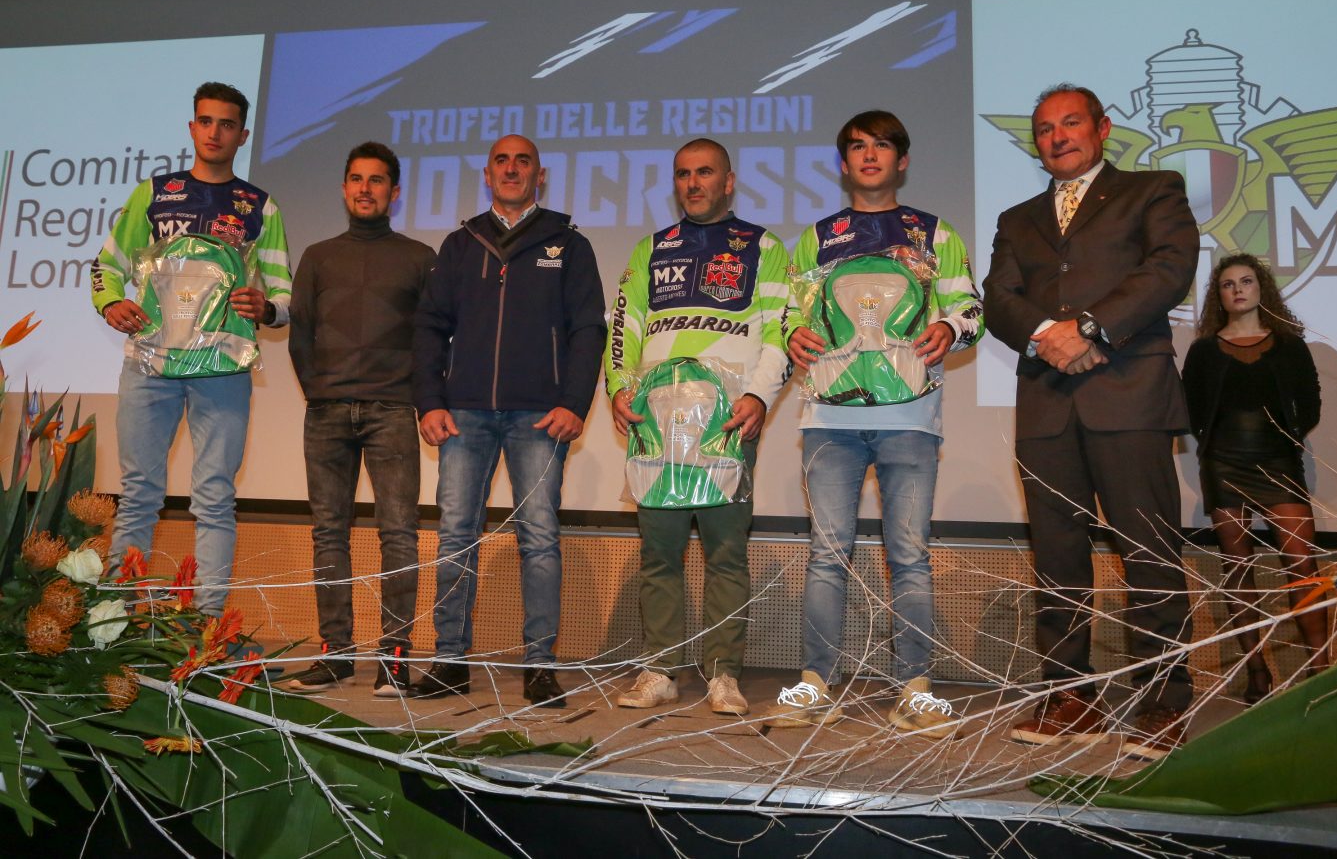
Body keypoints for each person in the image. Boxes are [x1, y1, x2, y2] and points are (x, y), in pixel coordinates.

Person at [983, 84, 1199, 760]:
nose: (1058, 137)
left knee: (1149, 552)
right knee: (1057, 560)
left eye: (1070, 122)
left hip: (1129, 394)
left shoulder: (1153, 190)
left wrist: (1089, 328)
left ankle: (1163, 701)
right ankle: (1070, 694)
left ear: (1102, 128)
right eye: (1045, 129)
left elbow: (1171, 268)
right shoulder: (1017, 218)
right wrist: (1048, 336)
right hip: (1046, 403)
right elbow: (998, 298)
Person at [769, 110, 984, 734]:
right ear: (843, 164)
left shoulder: (935, 233)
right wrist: (793, 334)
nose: (869, 155)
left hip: (911, 416)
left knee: (909, 556)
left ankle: (914, 688)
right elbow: (788, 313)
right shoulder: (816, 238)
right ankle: (814, 683)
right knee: (826, 555)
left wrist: (950, 327)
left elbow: (971, 306)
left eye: (882, 145)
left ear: (902, 159)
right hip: (827, 417)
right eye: (858, 147)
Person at [411, 134, 605, 706]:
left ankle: (540, 665)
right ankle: (450, 660)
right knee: (455, 535)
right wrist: (430, 401)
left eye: (524, 162)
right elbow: (428, 327)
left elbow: (588, 329)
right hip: (463, 414)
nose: (512, 169)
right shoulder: (459, 244)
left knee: (539, 538)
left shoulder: (569, 245)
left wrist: (574, 403)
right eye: (502, 161)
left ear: (539, 176)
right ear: (487, 174)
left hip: (540, 415)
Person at [91, 81, 291, 619]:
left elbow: (284, 293)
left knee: (215, 498)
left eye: (227, 124)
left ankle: (207, 629)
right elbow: (106, 265)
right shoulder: (154, 194)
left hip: (222, 368)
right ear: (192, 127)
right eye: (206, 121)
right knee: (138, 494)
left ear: (242, 135)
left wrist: (267, 307)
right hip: (150, 365)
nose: (214, 132)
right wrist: (110, 303)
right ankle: (114, 623)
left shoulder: (260, 206)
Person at [607, 139, 791, 715]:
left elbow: (780, 330)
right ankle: (660, 670)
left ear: (728, 181)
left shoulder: (763, 246)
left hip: (726, 424)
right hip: (656, 427)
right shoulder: (651, 249)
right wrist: (618, 388)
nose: (693, 183)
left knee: (726, 554)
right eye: (683, 174)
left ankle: (723, 674)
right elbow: (623, 326)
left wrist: (758, 396)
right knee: (659, 554)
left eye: (705, 172)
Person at [285, 142, 434, 697]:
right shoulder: (318, 256)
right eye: (356, 179)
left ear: (394, 192)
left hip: (392, 410)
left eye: (376, 180)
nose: (365, 189)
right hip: (325, 411)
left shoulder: (420, 258)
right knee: (329, 534)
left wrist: (413, 394)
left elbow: (433, 338)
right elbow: (300, 332)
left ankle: (394, 658)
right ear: (344, 188)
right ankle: (336, 655)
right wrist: (319, 390)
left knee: (399, 535)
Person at [1183, 253, 1326, 703]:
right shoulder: (1203, 350)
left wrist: (1286, 439)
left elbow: (1311, 403)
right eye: (1228, 284)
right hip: (1224, 464)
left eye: (1246, 281)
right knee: (1237, 568)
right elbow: (1191, 408)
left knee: (1302, 566)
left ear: (1261, 288)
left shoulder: (1290, 345)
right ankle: (1257, 672)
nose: (1238, 290)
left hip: (1278, 461)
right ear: (1219, 295)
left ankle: (1320, 671)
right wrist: (1215, 445)